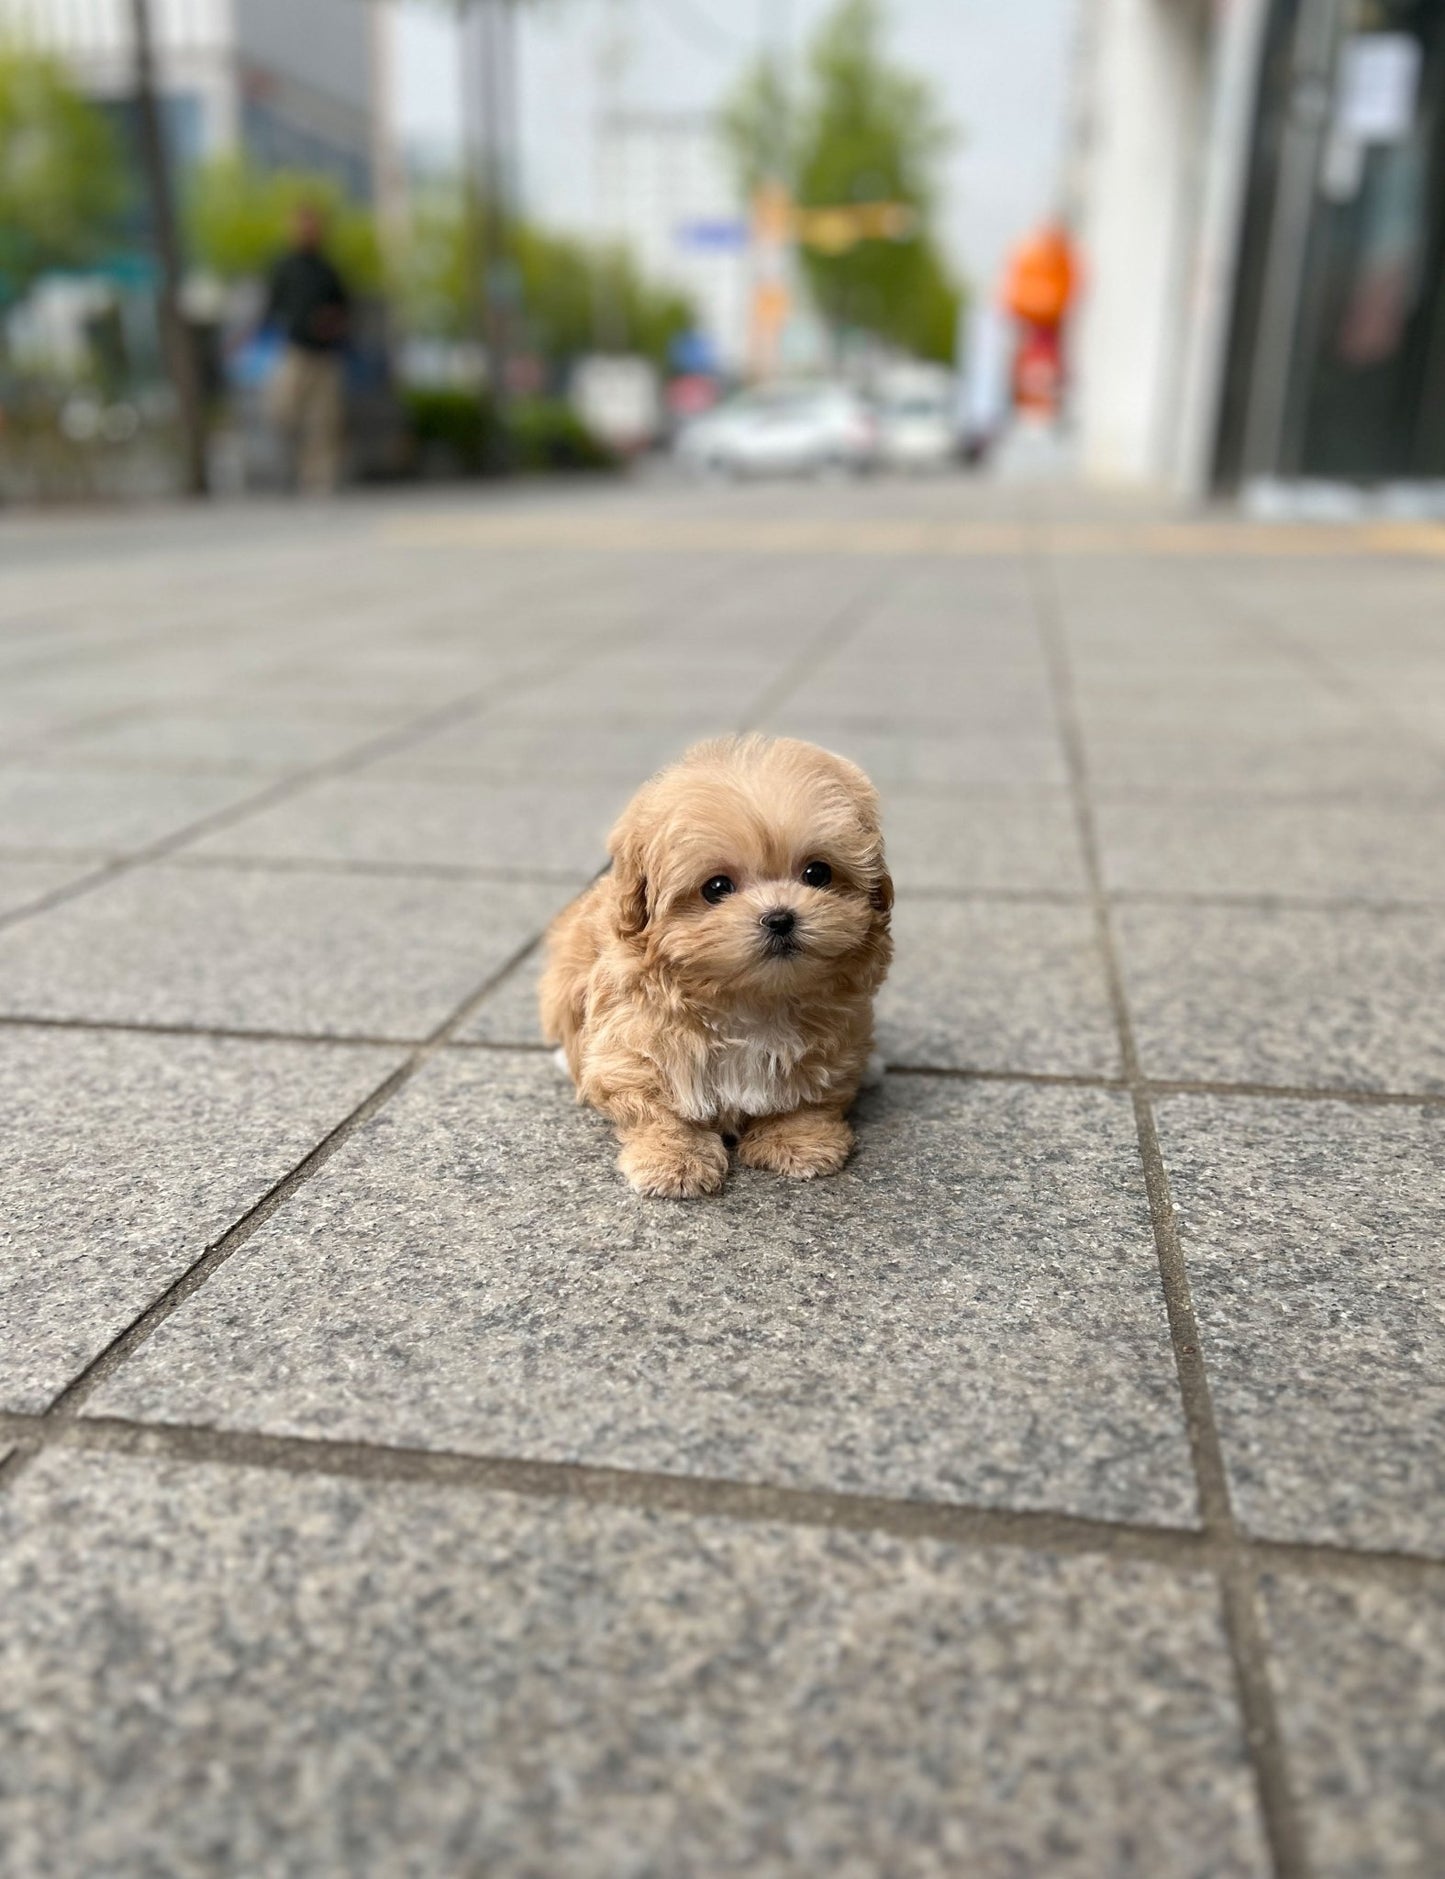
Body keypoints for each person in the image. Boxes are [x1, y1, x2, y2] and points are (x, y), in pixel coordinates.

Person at [262, 204, 350, 493]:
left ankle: (318, 480)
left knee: (324, 421)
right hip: (295, 352)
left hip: (324, 355)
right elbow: (270, 306)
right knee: (282, 411)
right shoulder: (284, 267)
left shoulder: (328, 269)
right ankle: (289, 469)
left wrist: (333, 324)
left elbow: (346, 309)